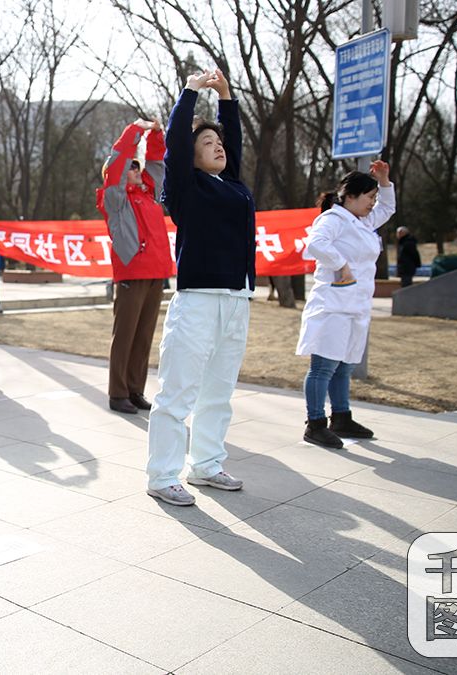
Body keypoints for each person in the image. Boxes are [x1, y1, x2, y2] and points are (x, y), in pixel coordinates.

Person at [145, 69, 251, 507]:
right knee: (179, 391)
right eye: (207, 144)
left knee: (218, 392)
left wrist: (226, 97)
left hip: (238, 300)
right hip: (198, 301)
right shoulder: (186, 189)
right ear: (190, 157)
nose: (218, 147)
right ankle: (163, 474)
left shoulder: (235, 185)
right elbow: (174, 144)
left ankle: (206, 465)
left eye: (219, 142)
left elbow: (236, 139)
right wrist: (190, 92)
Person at [296, 163, 395, 449]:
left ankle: (341, 417)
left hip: (356, 306)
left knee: (345, 366)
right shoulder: (333, 219)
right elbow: (315, 244)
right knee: (323, 366)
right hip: (333, 305)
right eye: (369, 198)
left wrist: (385, 182)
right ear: (350, 196)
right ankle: (315, 424)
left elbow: (387, 210)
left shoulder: (362, 221)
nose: (373, 204)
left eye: (374, 198)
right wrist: (341, 265)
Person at [97, 119, 174, 415]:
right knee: (125, 336)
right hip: (132, 273)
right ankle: (118, 393)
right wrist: (134, 130)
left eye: (136, 166)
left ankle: (134, 389)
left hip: (157, 273)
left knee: (143, 338)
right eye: (131, 167)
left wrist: (156, 134)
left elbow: (157, 163)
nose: (135, 169)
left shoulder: (149, 194)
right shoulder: (114, 199)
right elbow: (117, 165)